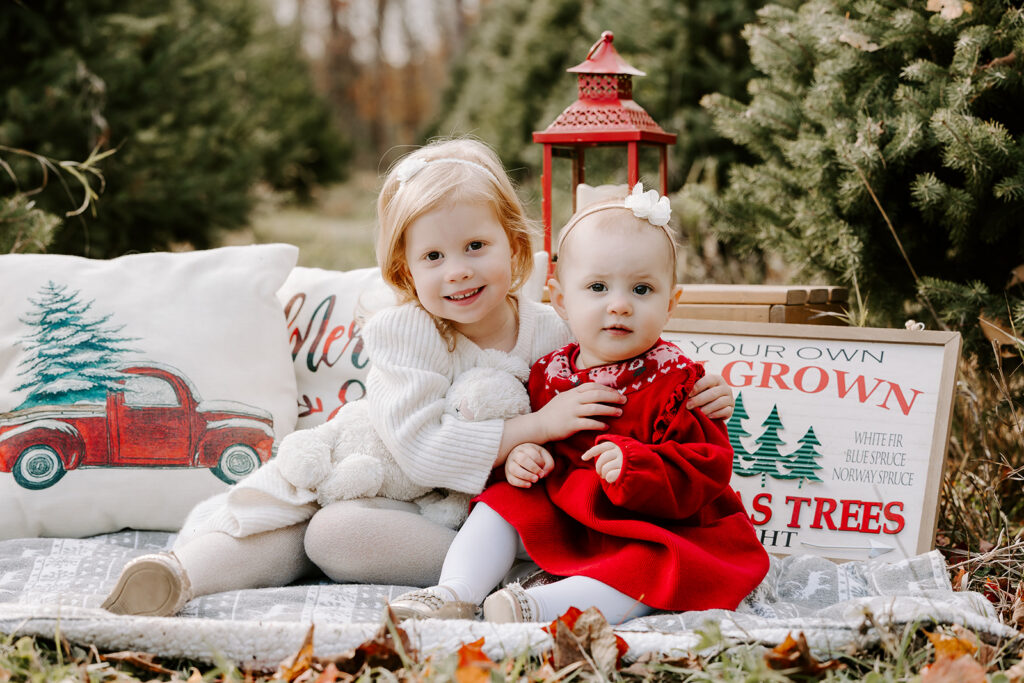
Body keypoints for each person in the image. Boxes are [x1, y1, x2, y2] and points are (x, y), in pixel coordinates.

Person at [101, 140, 736, 617]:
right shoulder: (409, 332)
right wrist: (537, 426)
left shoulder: (555, 325)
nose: (456, 271)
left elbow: (629, 371)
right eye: (432, 256)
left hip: (474, 511)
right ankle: (179, 575)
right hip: (386, 470)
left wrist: (709, 396)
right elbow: (420, 447)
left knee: (333, 535)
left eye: (475, 248)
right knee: (280, 507)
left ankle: (523, 569)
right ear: (405, 271)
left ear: (515, 248)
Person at [388, 184, 768, 625]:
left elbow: (706, 468)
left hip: (655, 525)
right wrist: (522, 457)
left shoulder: (679, 383)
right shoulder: (548, 371)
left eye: (642, 289)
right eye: (598, 287)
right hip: (571, 515)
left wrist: (636, 466)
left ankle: (538, 607)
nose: (620, 305)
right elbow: (532, 433)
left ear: (671, 304)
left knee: (652, 568)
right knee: (503, 502)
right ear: (563, 301)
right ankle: (454, 590)